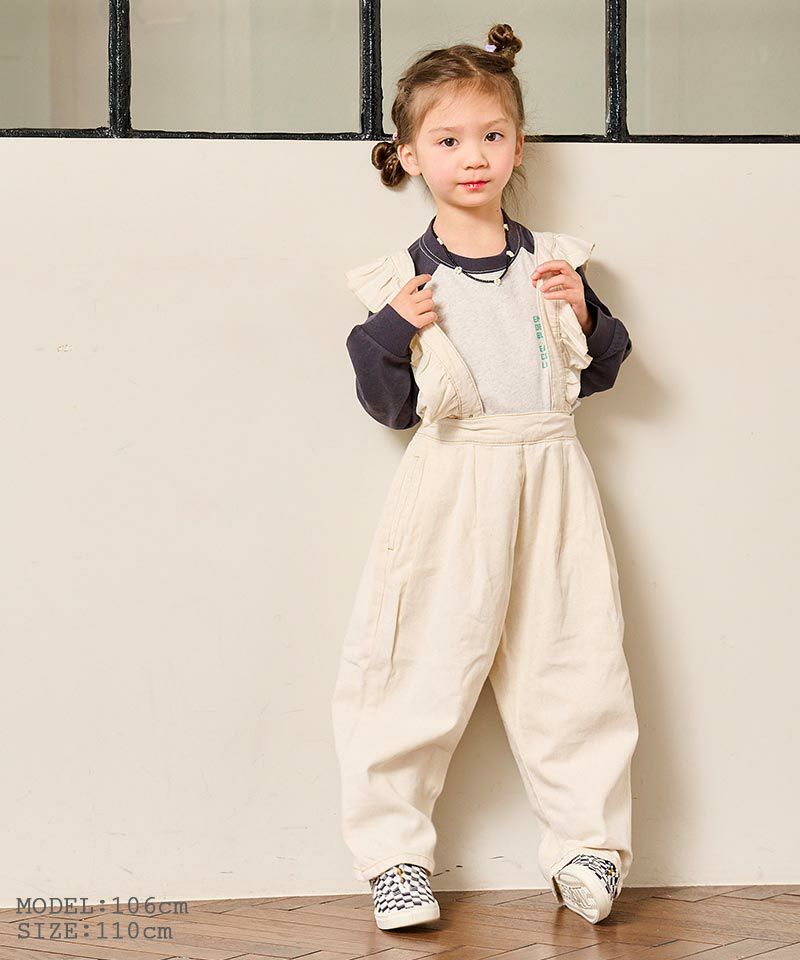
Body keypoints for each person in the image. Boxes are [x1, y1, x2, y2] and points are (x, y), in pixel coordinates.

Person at [331, 22, 640, 932]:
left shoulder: (554, 262)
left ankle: (589, 846)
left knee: (575, 656)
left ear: (518, 145)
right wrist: (393, 330)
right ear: (409, 155)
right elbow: (389, 407)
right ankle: (394, 858)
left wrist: (586, 311)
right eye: (448, 139)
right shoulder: (402, 280)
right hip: (453, 482)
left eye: (492, 135)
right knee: (413, 662)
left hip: (553, 477)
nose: (473, 157)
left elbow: (603, 367)